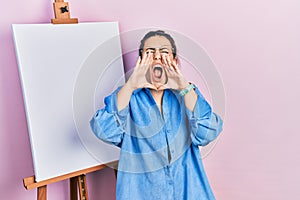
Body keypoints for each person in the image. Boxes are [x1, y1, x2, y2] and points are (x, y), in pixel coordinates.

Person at [90, 30, 223, 200]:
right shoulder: (128, 97)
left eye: (165, 52)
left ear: (175, 60)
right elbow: (104, 130)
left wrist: (183, 86)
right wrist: (131, 85)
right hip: (141, 193)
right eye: (150, 52)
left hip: (189, 191)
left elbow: (207, 133)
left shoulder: (187, 95)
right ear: (141, 61)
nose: (157, 57)